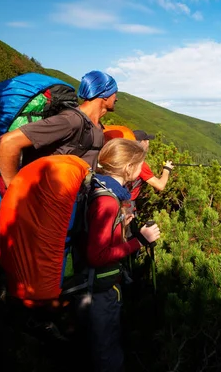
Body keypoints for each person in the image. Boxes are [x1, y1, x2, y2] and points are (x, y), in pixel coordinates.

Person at [78, 138, 161, 372]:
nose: (141, 169)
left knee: (100, 341)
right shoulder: (107, 201)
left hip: (96, 283)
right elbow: (98, 255)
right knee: (106, 348)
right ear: (128, 168)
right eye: (139, 164)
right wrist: (140, 241)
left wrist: (122, 224)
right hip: (100, 287)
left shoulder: (101, 188)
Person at [0, 70, 117, 190]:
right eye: (114, 93)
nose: (116, 99)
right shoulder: (71, 121)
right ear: (104, 95)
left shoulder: (97, 126)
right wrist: (14, 189)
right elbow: (8, 142)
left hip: (72, 198)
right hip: (46, 199)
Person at [123, 130, 174, 219]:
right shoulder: (140, 164)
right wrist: (166, 170)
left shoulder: (124, 156)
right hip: (126, 203)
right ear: (141, 143)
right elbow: (160, 186)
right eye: (146, 140)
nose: (148, 142)